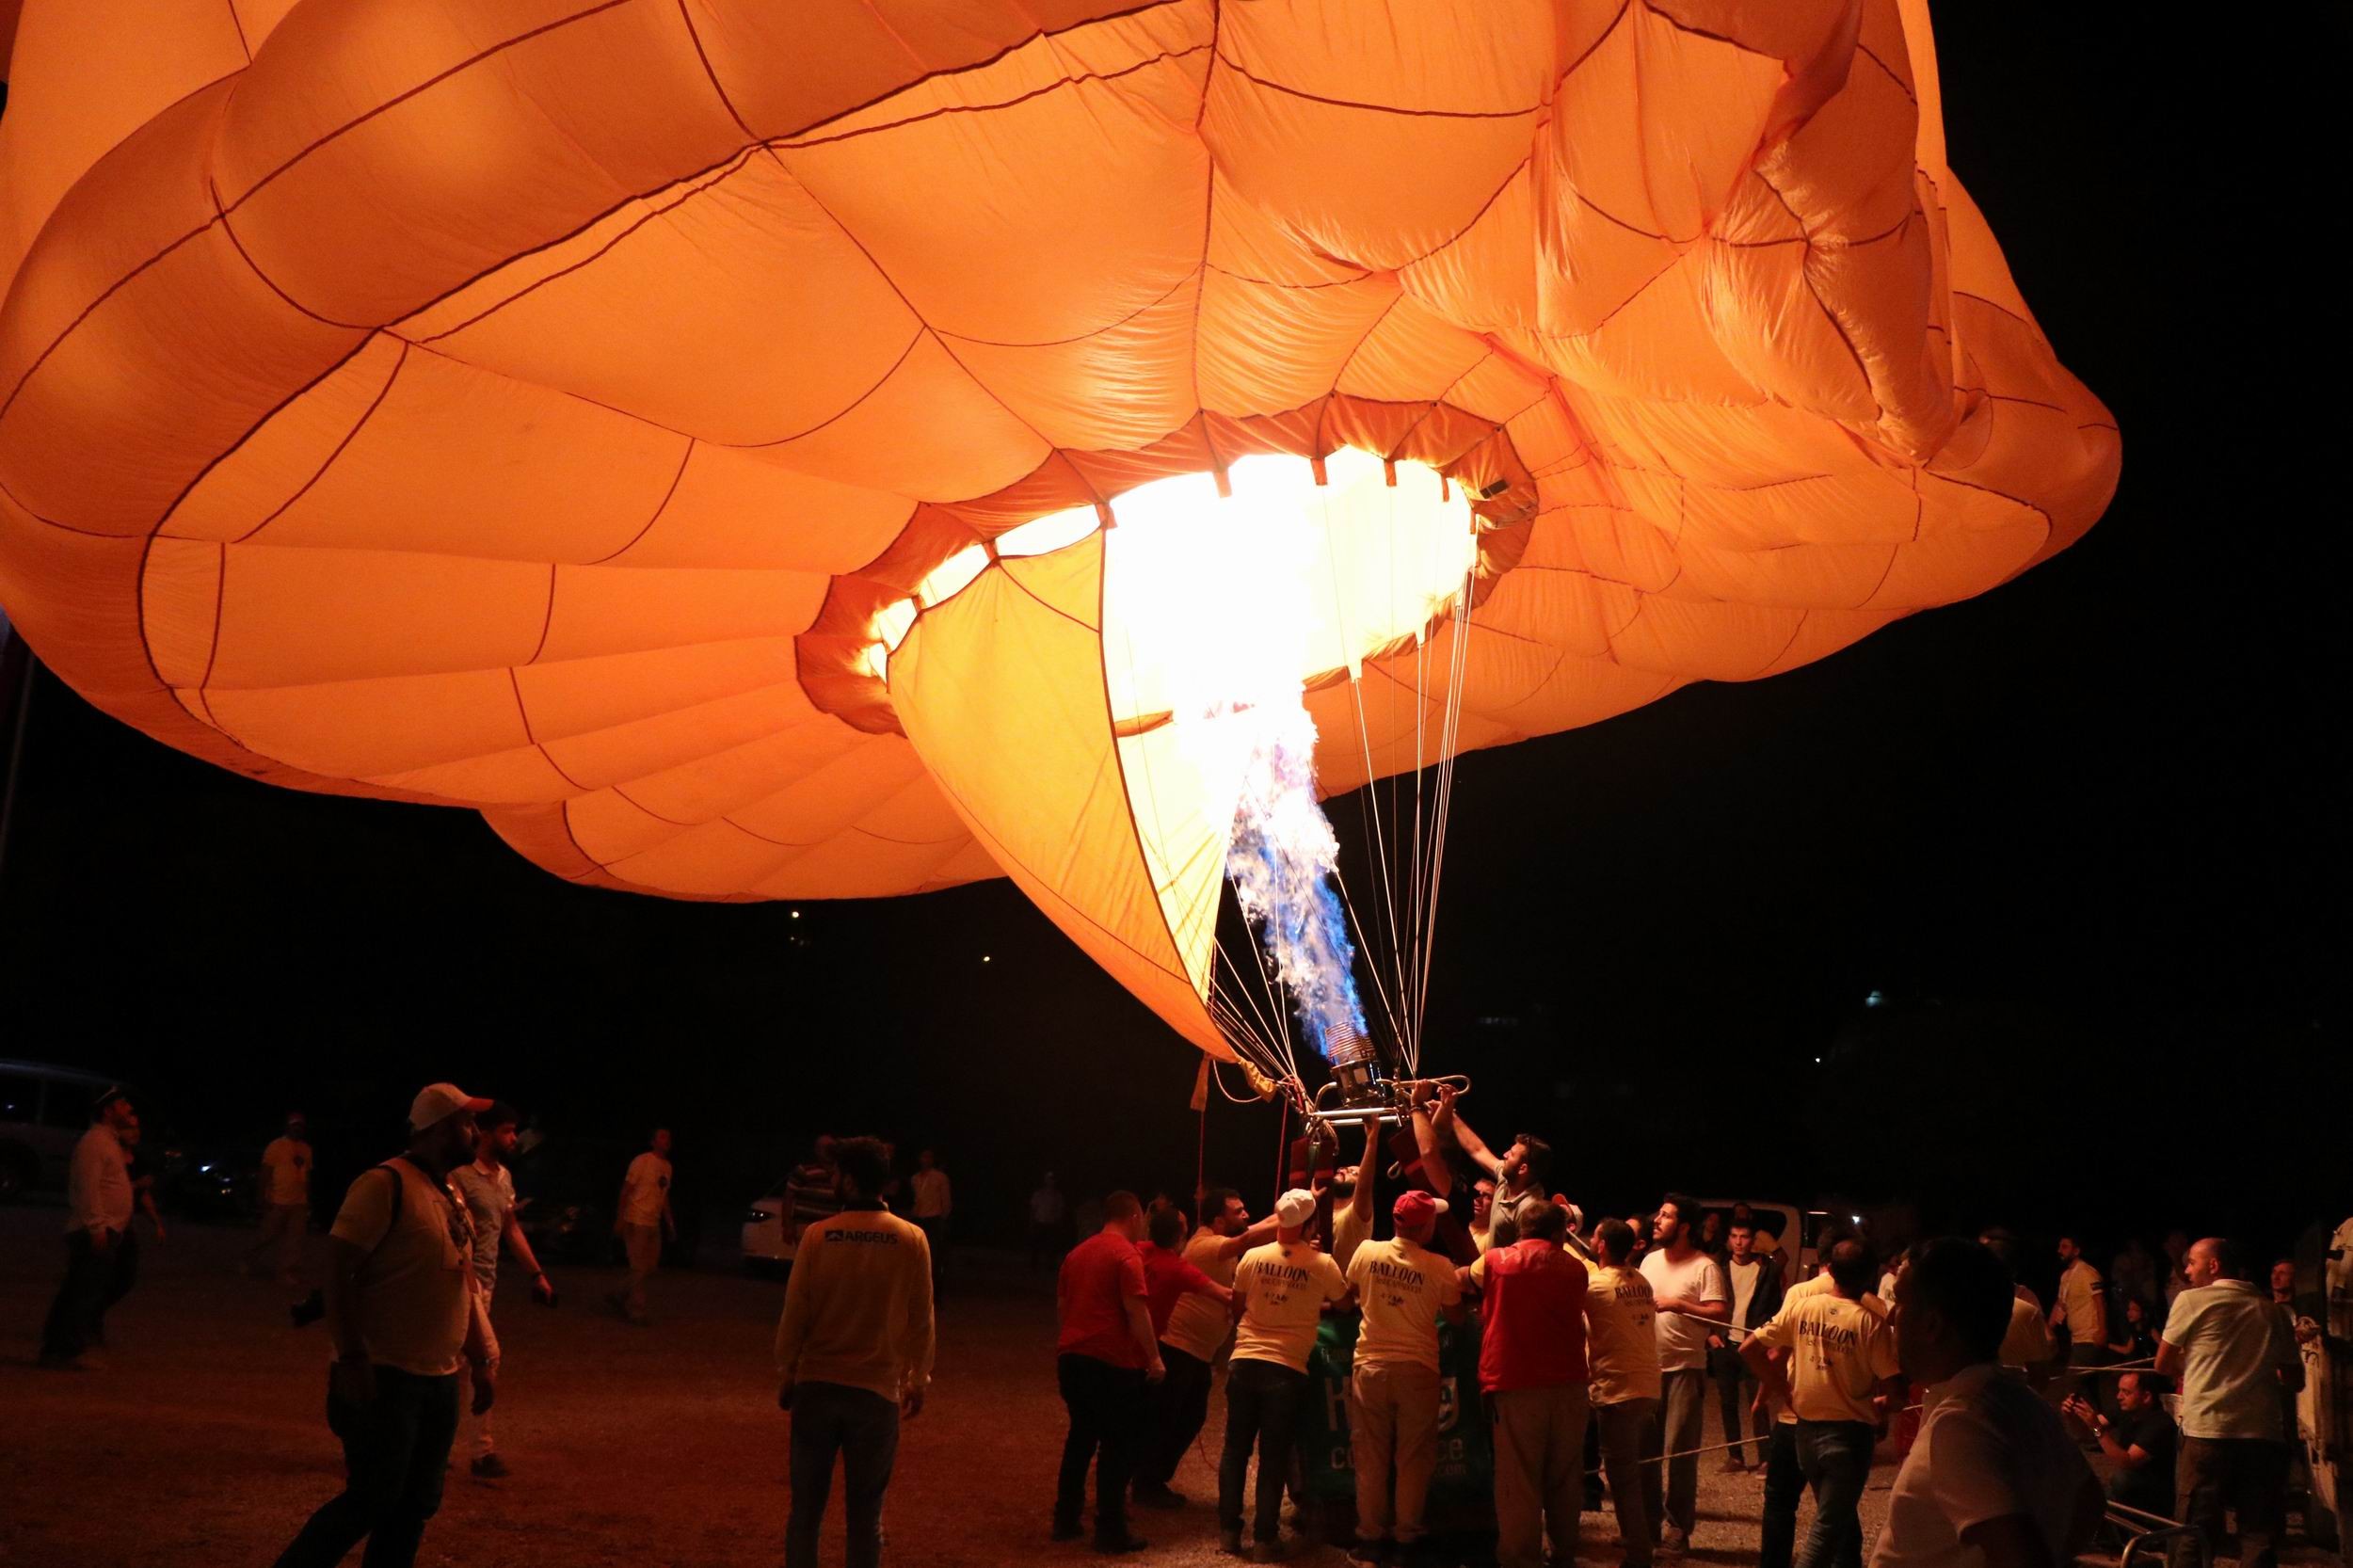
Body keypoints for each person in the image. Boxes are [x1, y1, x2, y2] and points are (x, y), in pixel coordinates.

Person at [271, 1084, 498, 1568]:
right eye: (466, 1122)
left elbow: (464, 1281)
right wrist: (352, 1356)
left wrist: (480, 1358)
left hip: (437, 1377)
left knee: (414, 1505)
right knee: (372, 1498)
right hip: (385, 1374)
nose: (476, 1132)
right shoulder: (384, 1185)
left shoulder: (451, 1192)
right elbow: (337, 1271)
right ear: (437, 1129)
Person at [1872, 1237, 2102, 1568]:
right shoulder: (2015, 1397)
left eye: (1902, 1301)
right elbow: (2089, 1500)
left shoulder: (1962, 1423)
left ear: (1933, 1324)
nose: (1892, 1316)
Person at [774, 1135, 934, 1568]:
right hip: (876, 1392)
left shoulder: (818, 1237)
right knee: (866, 1515)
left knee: (805, 1512)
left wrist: (787, 1369)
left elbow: (796, 1312)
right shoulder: (911, 1238)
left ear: (847, 1179)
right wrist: (918, 1378)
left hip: (817, 1386)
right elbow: (922, 1318)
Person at [1745, 1239, 1901, 1568]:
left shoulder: (1802, 1306)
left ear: (1829, 1267)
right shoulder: (1870, 1321)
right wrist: (1883, 1405)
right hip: (1848, 1437)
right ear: (1868, 1276)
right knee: (1827, 1529)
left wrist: (1781, 1390)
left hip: (1805, 1434)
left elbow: (1750, 1349)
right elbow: (1896, 1390)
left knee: (1834, 1518)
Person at [2156, 1237, 2303, 1568]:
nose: (2187, 1271)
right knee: (2257, 1535)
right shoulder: (2272, 1311)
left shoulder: (2191, 1301)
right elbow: (2296, 1380)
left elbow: (2162, 1364)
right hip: (2262, 1436)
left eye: (2191, 1262)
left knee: (2195, 1532)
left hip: (2207, 1432)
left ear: (2214, 1265)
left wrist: (2194, 1365)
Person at [1221, 1188, 1351, 1560]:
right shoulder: (1321, 1263)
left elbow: (1238, 1304)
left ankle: (1229, 1532)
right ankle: (1264, 1538)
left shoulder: (1251, 1256)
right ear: (1310, 1223)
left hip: (1245, 1358)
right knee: (1273, 1455)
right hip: (1287, 1365)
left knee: (1234, 1450)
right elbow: (1343, 1303)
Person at [1343, 1189, 1466, 1561]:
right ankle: (1407, 1535)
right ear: (1426, 1225)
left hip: (1371, 1363)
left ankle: (1369, 1536)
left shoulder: (1367, 1252)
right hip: (1418, 1368)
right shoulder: (1440, 1266)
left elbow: (1348, 1295)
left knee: (1370, 1455)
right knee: (1413, 1456)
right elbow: (1457, 1317)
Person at [1138, 1186, 1276, 1509]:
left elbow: (1251, 1233)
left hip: (1196, 1352)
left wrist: (1292, 1208)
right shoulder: (1205, 1245)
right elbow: (1247, 1239)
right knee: (1166, 1418)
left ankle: (1150, 1478)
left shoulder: (1219, 1247)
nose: (1246, 1215)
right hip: (1178, 1347)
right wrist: (1295, 1214)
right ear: (1218, 1220)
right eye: (1237, 1211)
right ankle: (1146, 1481)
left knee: (1190, 1416)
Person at [1472, 1195, 1590, 1568]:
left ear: (1521, 1228)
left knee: (1518, 1479)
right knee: (1566, 1475)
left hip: (1516, 1381)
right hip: (1570, 1382)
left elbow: (1463, 1279)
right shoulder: (1577, 1269)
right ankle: (1564, 1552)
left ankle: (1519, 1558)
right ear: (1559, 1232)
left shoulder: (1496, 1261)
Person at [448, 1101, 555, 1479]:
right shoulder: (459, 1175)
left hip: (486, 1285)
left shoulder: (504, 1178)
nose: (514, 1138)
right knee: (485, 1358)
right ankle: (481, 1452)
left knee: (456, 1365)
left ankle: (442, 1446)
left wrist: (536, 1274)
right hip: (462, 1284)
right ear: (488, 1133)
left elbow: (510, 1230)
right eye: (508, 1131)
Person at [1055, 1191, 1161, 1553]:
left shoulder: (1077, 1253)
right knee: (1116, 1445)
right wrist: (1154, 1358)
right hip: (1110, 1361)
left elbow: (1063, 1306)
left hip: (1072, 1357)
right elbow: (1136, 1310)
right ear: (1133, 1216)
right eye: (1142, 1218)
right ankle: (1110, 1528)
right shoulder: (1125, 1256)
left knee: (1080, 1439)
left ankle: (1065, 1520)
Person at [1640, 1192, 1729, 1556]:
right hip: (1646, 1368)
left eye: (1666, 1216)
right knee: (1644, 1453)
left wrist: (1678, 1305)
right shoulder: (1648, 1261)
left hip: (1684, 1370)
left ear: (1685, 1226)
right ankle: (1644, 1530)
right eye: (1658, 1214)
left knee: (1679, 1454)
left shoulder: (1703, 1267)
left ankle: (1678, 1530)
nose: (1657, 1220)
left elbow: (1720, 1313)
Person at [39, 1084, 140, 1370]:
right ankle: (63, 1350)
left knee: (80, 1291)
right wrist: (97, 1226)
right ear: (108, 1112)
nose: (127, 1108)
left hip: (105, 1229)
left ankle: (58, 1347)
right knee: (82, 1293)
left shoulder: (107, 1141)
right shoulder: (95, 1142)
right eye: (121, 1104)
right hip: (95, 1231)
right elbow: (87, 1188)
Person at [1584, 1218, 1659, 1568]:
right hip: (1647, 1384)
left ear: (1601, 1246)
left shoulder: (1596, 1285)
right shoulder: (1640, 1281)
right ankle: (1635, 1537)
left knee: (1623, 1476)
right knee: (1631, 1469)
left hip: (1618, 1386)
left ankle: (1639, 1555)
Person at [1715, 1214, 1785, 1470]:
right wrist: (1712, 1334)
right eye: (1734, 1236)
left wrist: (1769, 1339)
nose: (1739, 1242)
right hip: (1725, 1344)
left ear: (1753, 1240)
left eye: (1744, 1237)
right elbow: (1709, 1301)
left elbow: (1775, 1306)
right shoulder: (1719, 1267)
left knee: (1758, 1402)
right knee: (1727, 1402)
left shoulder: (1765, 1269)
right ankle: (1735, 1456)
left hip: (1753, 1345)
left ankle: (1765, 1457)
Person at [2066, 1371, 2176, 1519]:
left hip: (2156, 1493)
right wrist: (2072, 1416)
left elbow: (2127, 1462)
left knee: (2121, 1480)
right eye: (2119, 1390)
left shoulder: (2160, 1424)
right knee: (2083, 1492)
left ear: (2146, 1397)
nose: (2118, 1396)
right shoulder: (2125, 1410)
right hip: (2132, 1484)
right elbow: (2087, 1433)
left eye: (2126, 1392)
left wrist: (2096, 1428)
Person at [607, 1128, 676, 1325]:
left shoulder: (667, 1167)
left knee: (650, 1267)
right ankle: (636, 1311)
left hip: (653, 1222)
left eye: (668, 1137)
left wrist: (669, 1223)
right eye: (662, 1137)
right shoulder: (642, 1161)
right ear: (653, 1141)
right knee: (638, 1267)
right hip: (636, 1220)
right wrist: (620, 1218)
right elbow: (626, 1191)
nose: (667, 1140)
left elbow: (664, 1197)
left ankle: (618, 1293)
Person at [248, 1112, 314, 1286]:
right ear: (287, 1126)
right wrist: (261, 1195)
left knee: (295, 1241)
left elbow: (306, 1175)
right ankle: (249, 1260)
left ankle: (287, 1273)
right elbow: (265, 1173)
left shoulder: (306, 1149)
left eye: (300, 1125)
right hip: (277, 1200)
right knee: (266, 1236)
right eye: (294, 1125)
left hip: (298, 1202)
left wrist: (307, 1198)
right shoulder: (276, 1146)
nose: (297, 1128)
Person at [2051, 1234, 2109, 1399]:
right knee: (2089, 1387)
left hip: (2089, 1337)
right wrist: (2048, 1330)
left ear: (2076, 1251)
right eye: (2060, 1246)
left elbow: (2099, 1302)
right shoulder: (2065, 1276)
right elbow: (2060, 1306)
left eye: (2065, 1247)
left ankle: (2080, 1421)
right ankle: (2098, 1421)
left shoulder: (2087, 1273)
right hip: (2076, 1338)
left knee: (2072, 1384)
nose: (2059, 1250)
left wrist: (2102, 1330)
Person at [786, 1135, 843, 1275]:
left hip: (832, 1228)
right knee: (807, 1265)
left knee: (829, 1265)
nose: (828, 1151)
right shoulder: (804, 1170)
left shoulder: (841, 1173)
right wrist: (787, 1224)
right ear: (817, 1150)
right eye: (824, 1148)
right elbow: (789, 1196)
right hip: (805, 1226)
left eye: (831, 1147)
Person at [909, 1148, 952, 1293]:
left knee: (934, 1256)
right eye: (923, 1156)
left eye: (928, 1157)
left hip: (934, 1219)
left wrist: (943, 1218)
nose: (925, 1160)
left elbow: (946, 1200)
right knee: (917, 1255)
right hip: (918, 1219)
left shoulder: (940, 1177)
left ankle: (935, 1291)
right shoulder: (915, 1178)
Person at [1029, 1170, 1069, 1272]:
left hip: (1051, 1224)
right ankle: (1033, 1265)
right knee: (1036, 1245)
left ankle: (1050, 1266)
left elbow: (1060, 1210)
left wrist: (1059, 1223)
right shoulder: (1039, 1194)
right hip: (1039, 1222)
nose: (1051, 1181)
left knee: (1051, 1247)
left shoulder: (1057, 1195)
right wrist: (1032, 1222)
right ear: (1045, 1180)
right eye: (1049, 1179)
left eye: (1052, 1179)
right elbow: (1033, 1208)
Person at [2105, 1295, 2158, 1368]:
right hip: (2143, 1365)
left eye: (2134, 1310)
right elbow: (2127, 1350)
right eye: (2129, 1309)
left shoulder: (2151, 1329)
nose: (2129, 1313)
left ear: (2143, 1312)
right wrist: (2108, 1345)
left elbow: (2162, 1345)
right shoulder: (2134, 1330)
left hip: (2154, 1365)